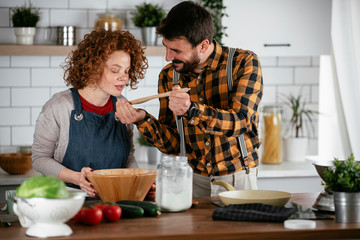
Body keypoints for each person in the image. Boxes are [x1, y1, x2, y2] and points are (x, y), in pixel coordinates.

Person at [116, 1, 263, 197]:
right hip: (191, 180)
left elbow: (241, 122)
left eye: (176, 51)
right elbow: (173, 145)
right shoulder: (169, 76)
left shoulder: (243, 62)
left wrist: (192, 110)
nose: (168, 57)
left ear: (203, 45)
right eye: (166, 47)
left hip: (237, 178)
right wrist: (143, 119)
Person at [32, 29, 154, 199]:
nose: (124, 78)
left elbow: (128, 158)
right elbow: (39, 158)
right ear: (93, 67)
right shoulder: (59, 106)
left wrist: (137, 182)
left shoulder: (122, 105)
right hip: (66, 202)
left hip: (115, 203)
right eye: (115, 70)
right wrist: (77, 178)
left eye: (126, 71)